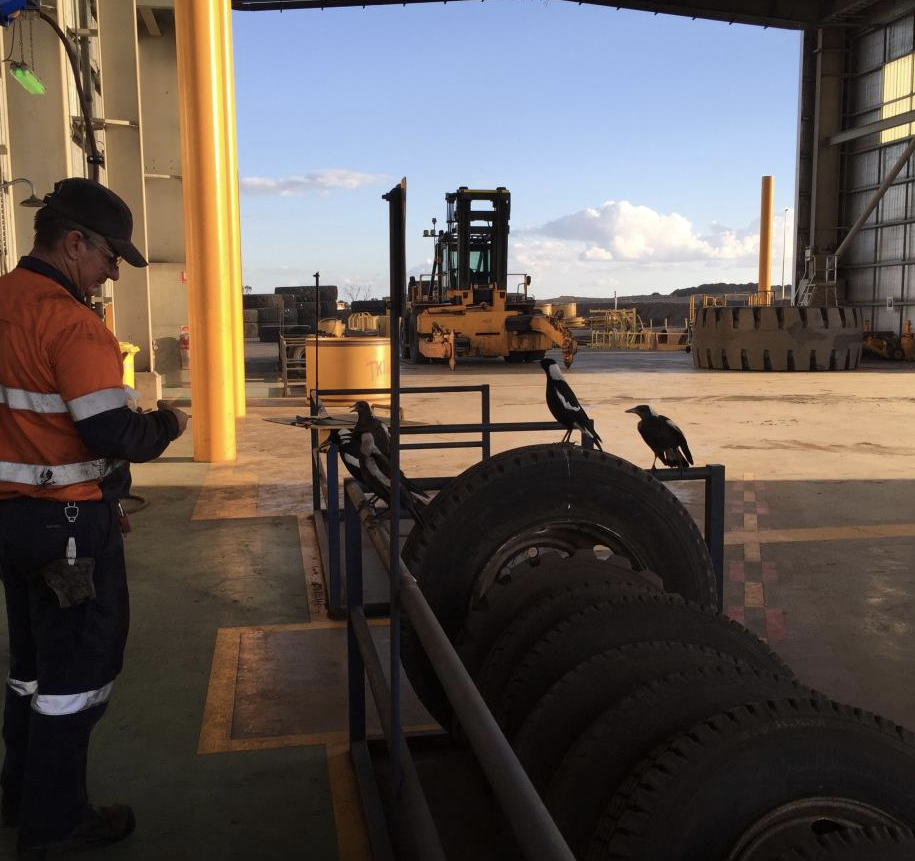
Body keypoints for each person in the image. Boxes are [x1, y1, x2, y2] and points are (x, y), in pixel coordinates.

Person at [0, 178, 189, 857]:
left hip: (13, 524)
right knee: (76, 678)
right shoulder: (71, 322)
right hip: (66, 532)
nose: (114, 269)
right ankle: (57, 823)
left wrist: (105, 494)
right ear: (73, 241)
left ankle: (19, 793)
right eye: (110, 255)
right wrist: (168, 420)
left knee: (30, 668)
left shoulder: (4, 301)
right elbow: (114, 432)